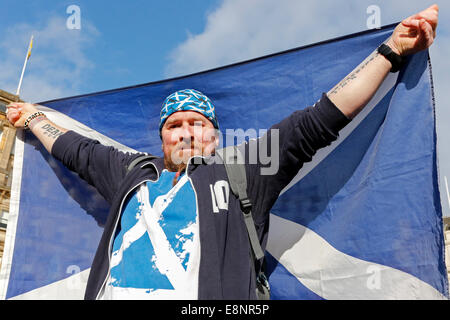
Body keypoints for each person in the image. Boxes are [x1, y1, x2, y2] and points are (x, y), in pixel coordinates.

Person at [6, 5, 439, 300]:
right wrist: (31, 121)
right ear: (162, 139)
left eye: (198, 123)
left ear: (214, 135)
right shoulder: (132, 172)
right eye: (175, 126)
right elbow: (74, 149)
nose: (186, 132)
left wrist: (391, 51)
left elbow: (319, 121)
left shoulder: (245, 170)